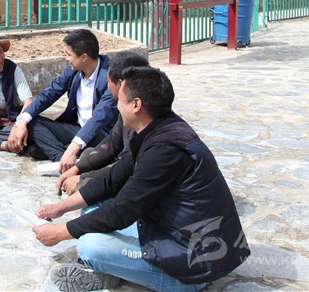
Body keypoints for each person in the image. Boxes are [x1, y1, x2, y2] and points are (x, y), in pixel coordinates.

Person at [33, 66, 250, 292]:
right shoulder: (158, 129)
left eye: (120, 99)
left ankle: (110, 270)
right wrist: (59, 208)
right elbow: (112, 180)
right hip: (169, 229)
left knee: (90, 246)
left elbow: (122, 211)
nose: (116, 105)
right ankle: (114, 269)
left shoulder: (165, 151)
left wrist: (59, 233)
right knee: (93, 208)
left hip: (193, 263)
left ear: (136, 105)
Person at [7, 29, 117, 172]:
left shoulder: (110, 77)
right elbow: (48, 94)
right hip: (77, 128)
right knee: (31, 120)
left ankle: (62, 155)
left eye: (68, 54)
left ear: (84, 57)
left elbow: (99, 117)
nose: (66, 58)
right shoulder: (73, 70)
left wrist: (73, 147)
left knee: (36, 148)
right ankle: (63, 160)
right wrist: (21, 122)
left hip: (101, 135)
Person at [55, 51, 149, 196]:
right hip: (124, 165)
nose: (107, 85)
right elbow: (111, 143)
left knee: (86, 186)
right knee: (88, 155)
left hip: (136, 179)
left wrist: (82, 178)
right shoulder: (126, 109)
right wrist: (77, 168)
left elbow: (125, 166)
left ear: (121, 84)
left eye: (108, 80)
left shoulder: (141, 119)